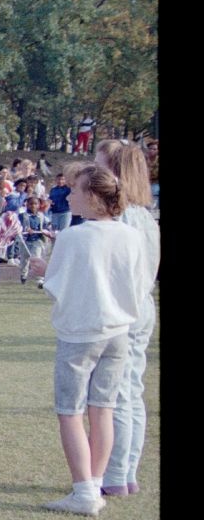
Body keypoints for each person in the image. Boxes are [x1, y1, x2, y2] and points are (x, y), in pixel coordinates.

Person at [40, 164, 148, 516]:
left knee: (70, 412)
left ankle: (84, 489)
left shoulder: (75, 236)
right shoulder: (131, 235)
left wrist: (45, 270)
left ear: (91, 196)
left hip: (80, 333)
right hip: (118, 331)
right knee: (103, 410)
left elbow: (56, 286)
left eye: (75, 190)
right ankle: (96, 481)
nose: (69, 195)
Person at [94, 143, 160, 498]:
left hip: (122, 309)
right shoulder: (144, 216)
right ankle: (126, 469)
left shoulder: (123, 219)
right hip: (140, 306)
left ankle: (115, 472)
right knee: (131, 392)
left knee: (116, 393)